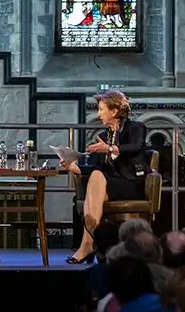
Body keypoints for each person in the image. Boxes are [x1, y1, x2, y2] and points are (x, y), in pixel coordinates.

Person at [62, 89, 149, 264]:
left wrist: (110, 149)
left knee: (92, 193)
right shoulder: (102, 136)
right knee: (95, 175)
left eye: (102, 109)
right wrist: (73, 167)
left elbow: (136, 147)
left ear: (114, 111)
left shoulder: (136, 128)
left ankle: (87, 242)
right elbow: (96, 168)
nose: (99, 114)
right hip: (108, 185)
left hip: (131, 183)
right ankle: (88, 240)